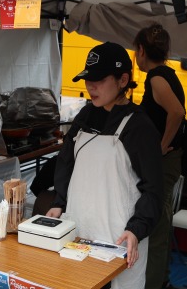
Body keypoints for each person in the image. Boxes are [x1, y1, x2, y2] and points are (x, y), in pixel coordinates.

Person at [47, 41, 163, 289]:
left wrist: (136, 229)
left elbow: (154, 189)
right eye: (88, 79)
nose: (91, 86)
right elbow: (66, 162)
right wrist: (59, 202)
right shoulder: (85, 116)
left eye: (99, 79)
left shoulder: (139, 127)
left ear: (123, 80)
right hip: (79, 230)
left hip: (120, 238)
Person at [133, 23, 186, 289]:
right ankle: (161, 279)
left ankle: (154, 283)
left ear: (141, 50)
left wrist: (161, 146)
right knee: (161, 219)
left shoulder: (156, 77)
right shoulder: (167, 74)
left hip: (165, 161)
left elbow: (177, 112)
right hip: (169, 161)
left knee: (156, 224)